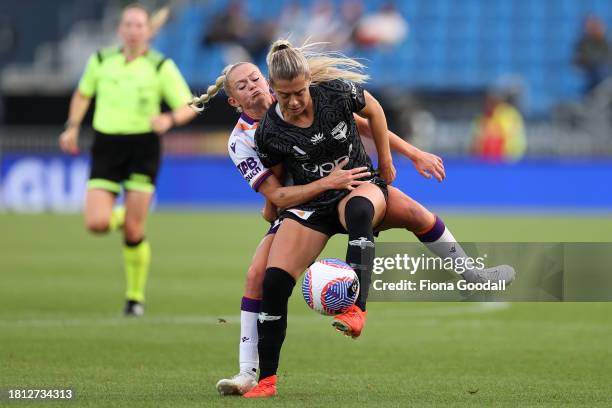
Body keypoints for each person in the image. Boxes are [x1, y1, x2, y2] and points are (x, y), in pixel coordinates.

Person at [190, 58, 514, 398]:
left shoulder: (303, 94)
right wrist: (275, 207)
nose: (253, 86)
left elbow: (362, 121)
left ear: (268, 80)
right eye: (242, 86)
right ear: (233, 101)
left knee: (418, 215)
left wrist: (411, 153)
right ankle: (249, 373)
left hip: (351, 185)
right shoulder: (248, 137)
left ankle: (471, 274)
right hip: (300, 201)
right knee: (260, 276)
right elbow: (275, 194)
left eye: (255, 78)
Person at [58, 3, 197, 316]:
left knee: (134, 232)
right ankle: (120, 217)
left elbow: (189, 105)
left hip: (143, 147)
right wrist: (72, 126)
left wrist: (169, 119)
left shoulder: (160, 66)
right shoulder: (101, 60)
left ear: (148, 31)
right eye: (128, 24)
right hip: (107, 145)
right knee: (97, 223)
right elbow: (83, 93)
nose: (133, 30)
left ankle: (135, 298)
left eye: (139, 25)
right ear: (120, 29)